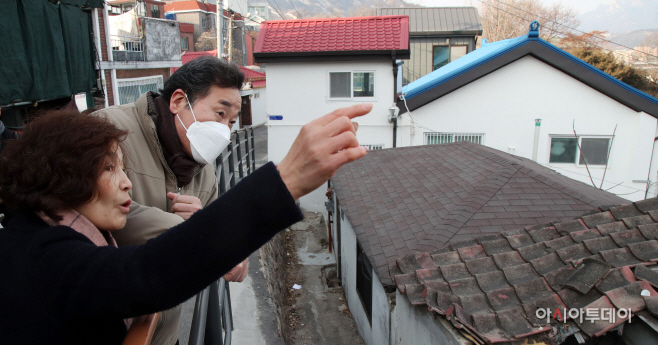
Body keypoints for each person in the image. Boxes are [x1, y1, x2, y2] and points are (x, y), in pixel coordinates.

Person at [0, 101, 371, 344]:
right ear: (63, 175)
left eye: (124, 168)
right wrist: (287, 179)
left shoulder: (33, 237)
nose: (126, 182)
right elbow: (146, 274)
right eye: (110, 168)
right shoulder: (44, 256)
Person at [93, 57, 250, 345]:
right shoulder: (109, 130)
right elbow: (100, 210)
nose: (225, 130)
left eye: (231, 122)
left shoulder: (203, 167)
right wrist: (199, 234)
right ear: (178, 101)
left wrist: (233, 251)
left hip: (165, 331)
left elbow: (216, 229)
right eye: (219, 113)